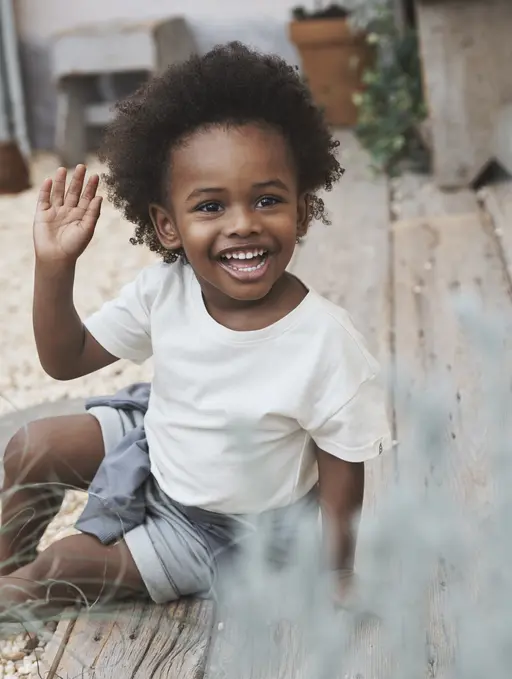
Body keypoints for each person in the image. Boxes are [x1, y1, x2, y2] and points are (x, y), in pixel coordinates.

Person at [0, 43, 391, 619]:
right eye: (210, 207)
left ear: (302, 211)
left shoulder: (326, 341)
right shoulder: (167, 288)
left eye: (267, 199)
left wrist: (336, 572)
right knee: (33, 446)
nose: (243, 225)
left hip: (226, 535)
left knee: (59, 572)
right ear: (167, 225)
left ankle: (22, 590)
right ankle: (8, 565)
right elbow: (66, 359)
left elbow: (343, 463)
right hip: (160, 447)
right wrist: (56, 266)